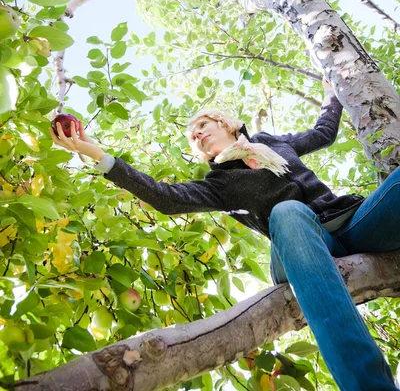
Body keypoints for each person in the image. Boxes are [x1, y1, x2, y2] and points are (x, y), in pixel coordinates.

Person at [49, 81, 400, 391]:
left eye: (202, 125)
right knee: (287, 211)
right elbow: (165, 198)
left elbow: (323, 133)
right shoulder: (218, 184)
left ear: (225, 123)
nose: (198, 134)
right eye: (193, 136)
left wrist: (332, 93)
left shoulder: (271, 143)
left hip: (350, 222)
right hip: (297, 244)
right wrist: (95, 154)